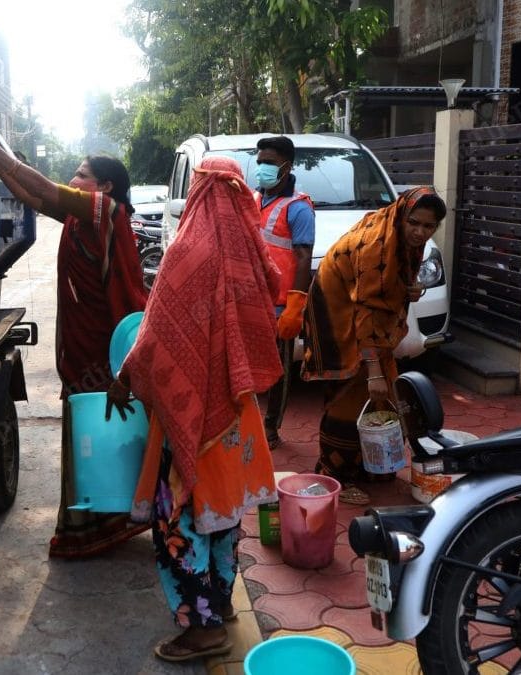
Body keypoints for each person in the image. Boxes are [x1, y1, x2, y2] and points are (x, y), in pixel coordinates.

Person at [106, 156, 283, 662]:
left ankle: (202, 628)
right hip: (237, 412)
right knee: (222, 516)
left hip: (193, 414)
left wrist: (125, 379)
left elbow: (157, 336)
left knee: (179, 520)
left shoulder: (189, 249)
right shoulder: (251, 251)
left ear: (201, 191)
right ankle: (220, 605)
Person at [0, 113, 149, 558]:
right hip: (81, 350)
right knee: (90, 431)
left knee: (99, 432)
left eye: (82, 175)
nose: (73, 180)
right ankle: (99, 519)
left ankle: (101, 521)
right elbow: (30, 195)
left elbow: (42, 187)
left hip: (104, 350)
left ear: (106, 188)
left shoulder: (106, 213)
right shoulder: (84, 216)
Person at [300, 186, 445, 506]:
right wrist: (373, 370)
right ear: (402, 215)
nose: (420, 232)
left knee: (384, 392)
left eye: (428, 226)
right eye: (415, 223)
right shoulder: (377, 247)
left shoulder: (396, 230)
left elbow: (390, 286)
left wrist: (409, 289)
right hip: (337, 314)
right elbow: (367, 310)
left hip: (365, 315)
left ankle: (368, 463)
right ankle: (333, 472)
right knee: (352, 391)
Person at [254, 136, 315, 449]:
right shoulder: (255, 199)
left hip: (279, 306)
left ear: (286, 166)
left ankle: (271, 428)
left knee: (277, 372)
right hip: (252, 301)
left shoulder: (298, 208)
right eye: (259, 161)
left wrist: (295, 305)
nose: (261, 167)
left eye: (268, 163)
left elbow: (304, 257)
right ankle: (249, 422)